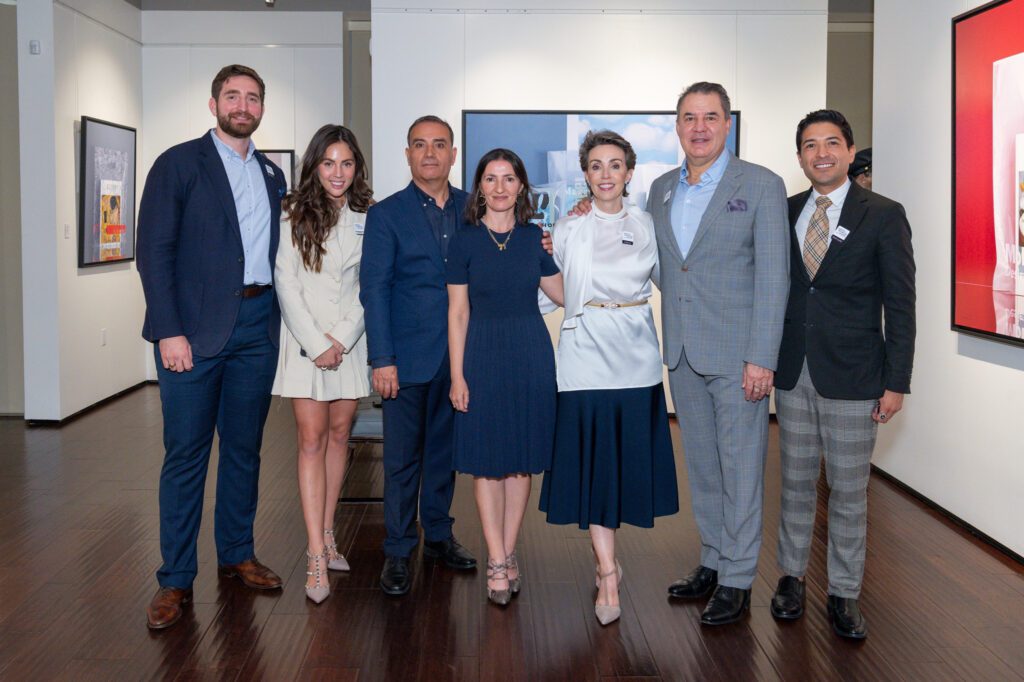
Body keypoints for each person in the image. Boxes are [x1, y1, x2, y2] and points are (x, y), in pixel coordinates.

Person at [138, 64, 287, 630]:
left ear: (261, 108)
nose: (242, 105)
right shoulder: (178, 164)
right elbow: (154, 253)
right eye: (233, 96)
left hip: (256, 326)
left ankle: (237, 553)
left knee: (245, 450)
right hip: (192, 335)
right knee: (186, 456)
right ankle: (175, 579)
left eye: (252, 97)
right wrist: (168, 330)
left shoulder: (272, 174)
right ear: (213, 103)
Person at [770, 111, 915, 639]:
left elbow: (901, 304)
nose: (821, 153)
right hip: (793, 371)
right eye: (810, 145)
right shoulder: (782, 212)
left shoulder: (883, 214)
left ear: (851, 152)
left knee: (850, 491)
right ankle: (790, 578)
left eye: (832, 143)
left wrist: (897, 380)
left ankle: (844, 593)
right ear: (801, 156)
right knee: (795, 483)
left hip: (856, 377)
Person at [653, 82, 789, 625]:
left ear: (728, 123)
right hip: (683, 350)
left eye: (711, 116)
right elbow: (659, 261)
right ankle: (712, 559)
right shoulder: (661, 188)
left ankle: (737, 578)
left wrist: (762, 356)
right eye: (689, 117)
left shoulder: (760, 185)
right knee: (704, 467)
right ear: (678, 124)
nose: (700, 126)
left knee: (741, 469)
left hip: (738, 358)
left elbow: (775, 277)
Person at [538, 131, 678, 625]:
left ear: (629, 171)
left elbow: (675, 280)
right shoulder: (569, 227)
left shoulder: (647, 224)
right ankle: (606, 570)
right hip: (583, 356)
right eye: (595, 166)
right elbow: (550, 285)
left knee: (623, 463)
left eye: (614, 165)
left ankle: (609, 562)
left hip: (636, 355)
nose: (605, 175)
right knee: (594, 465)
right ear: (585, 173)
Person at [360, 116, 478, 596]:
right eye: (419, 145)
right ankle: (398, 550)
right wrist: (381, 359)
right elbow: (375, 290)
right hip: (405, 361)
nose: (430, 153)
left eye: (439, 145)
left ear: (454, 154)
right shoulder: (386, 215)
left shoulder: (475, 208)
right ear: (407, 155)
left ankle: (440, 537)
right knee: (402, 461)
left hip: (460, 360)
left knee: (444, 457)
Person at [447, 149, 563, 606]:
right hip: (481, 355)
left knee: (519, 460)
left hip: (531, 355)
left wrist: (566, 242)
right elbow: (457, 313)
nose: (500, 187)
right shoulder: (464, 241)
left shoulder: (536, 238)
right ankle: (496, 558)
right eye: (491, 179)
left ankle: (508, 550)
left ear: (521, 187)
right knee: (486, 462)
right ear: (480, 187)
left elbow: (564, 293)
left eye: (508, 178)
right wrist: (457, 375)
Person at [272, 125, 373, 603]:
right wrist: (317, 343)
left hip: (350, 344)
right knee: (311, 440)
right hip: (304, 344)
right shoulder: (292, 214)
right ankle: (315, 554)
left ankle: (329, 531)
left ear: (357, 167)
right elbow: (285, 284)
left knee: (339, 437)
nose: (338, 172)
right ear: (315, 165)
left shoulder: (368, 215)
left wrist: (343, 338)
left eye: (346, 163)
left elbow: (372, 284)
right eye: (329, 162)